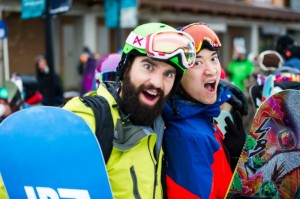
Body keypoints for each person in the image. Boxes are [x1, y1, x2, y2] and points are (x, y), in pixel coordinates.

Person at [63, 22, 196, 199]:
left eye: (168, 74)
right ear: (125, 68)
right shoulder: (87, 119)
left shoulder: (157, 125)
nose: (157, 83)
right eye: (148, 66)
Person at [162, 22, 247, 199]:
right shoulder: (187, 136)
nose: (211, 70)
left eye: (214, 58)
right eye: (197, 62)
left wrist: (234, 160)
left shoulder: (202, 118)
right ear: (178, 75)